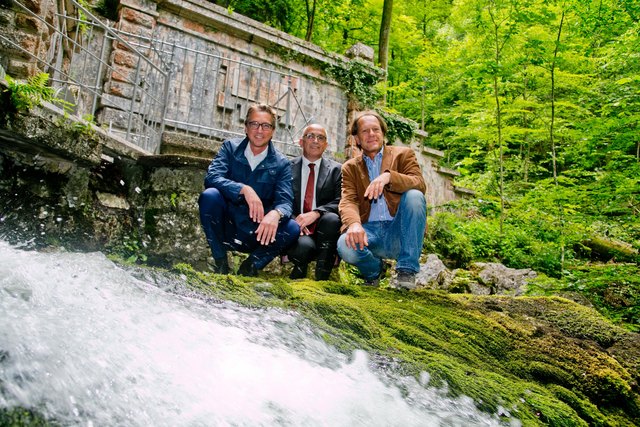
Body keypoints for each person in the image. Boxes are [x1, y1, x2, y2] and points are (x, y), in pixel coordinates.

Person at [198, 103, 299, 276]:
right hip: (228, 225)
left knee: (292, 228)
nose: (259, 130)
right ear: (246, 127)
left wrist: (276, 214)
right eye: (254, 124)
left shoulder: (282, 163)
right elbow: (212, 178)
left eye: (266, 125)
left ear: (273, 130)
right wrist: (243, 189)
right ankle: (220, 261)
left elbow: (285, 202)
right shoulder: (229, 148)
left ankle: (251, 266)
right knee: (210, 196)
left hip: (258, 233)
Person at [337, 110, 427, 289]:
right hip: (369, 233)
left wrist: (388, 177)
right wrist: (354, 224)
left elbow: (419, 184)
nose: (371, 134)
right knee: (344, 245)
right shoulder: (350, 168)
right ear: (357, 139)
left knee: (415, 195)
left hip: (399, 232)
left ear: (383, 133)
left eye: (375, 129)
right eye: (365, 131)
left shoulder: (403, 155)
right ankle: (374, 272)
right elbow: (348, 200)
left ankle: (406, 271)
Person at [286, 124, 342, 280]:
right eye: (310, 136)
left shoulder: (337, 170)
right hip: (298, 229)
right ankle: (299, 271)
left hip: (325, 229)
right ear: (301, 141)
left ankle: (322, 277)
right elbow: (281, 198)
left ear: (326, 145)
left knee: (332, 219)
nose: (316, 141)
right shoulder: (287, 167)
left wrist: (316, 213)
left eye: (321, 138)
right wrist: (294, 221)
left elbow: (341, 201)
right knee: (303, 248)